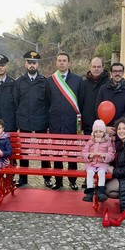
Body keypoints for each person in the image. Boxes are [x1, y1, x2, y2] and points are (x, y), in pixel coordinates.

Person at [13, 51, 52, 188]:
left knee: (44, 152)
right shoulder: (19, 82)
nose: (32, 65)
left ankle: (47, 178)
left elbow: (48, 101)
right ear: (25, 64)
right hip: (24, 121)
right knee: (24, 151)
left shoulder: (45, 81)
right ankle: (23, 178)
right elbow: (16, 101)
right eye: (29, 62)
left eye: (34, 63)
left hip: (41, 120)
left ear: (38, 64)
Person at [46, 52, 84, 190]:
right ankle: (58, 181)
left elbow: (81, 101)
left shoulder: (78, 80)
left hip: (72, 123)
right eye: (59, 60)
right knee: (57, 154)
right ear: (56, 63)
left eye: (64, 60)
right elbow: (48, 101)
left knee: (72, 155)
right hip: (56, 123)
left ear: (69, 63)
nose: (62, 63)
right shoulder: (50, 80)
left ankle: (73, 180)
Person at [96, 62, 125, 136]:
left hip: (121, 131)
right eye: (115, 71)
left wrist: (116, 127)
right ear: (111, 73)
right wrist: (105, 127)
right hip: (105, 130)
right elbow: (97, 109)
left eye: (120, 71)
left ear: (123, 73)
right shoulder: (103, 89)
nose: (117, 73)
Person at [81, 119, 115, 202]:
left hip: (102, 164)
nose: (98, 133)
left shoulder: (108, 142)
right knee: (90, 173)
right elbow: (83, 152)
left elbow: (111, 154)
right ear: (93, 132)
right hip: (91, 164)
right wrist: (89, 155)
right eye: (96, 131)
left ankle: (101, 192)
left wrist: (105, 155)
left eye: (100, 131)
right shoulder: (90, 142)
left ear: (104, 132)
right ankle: (89, 193)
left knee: (101, 173)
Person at [81, 57, 110, 135]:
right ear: (90, 67)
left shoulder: (109, 83)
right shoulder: (83, 84)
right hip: (87, 127)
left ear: (103, 68)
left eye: (98, 67)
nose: (96, 69)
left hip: (103, 127)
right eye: (94, 66)